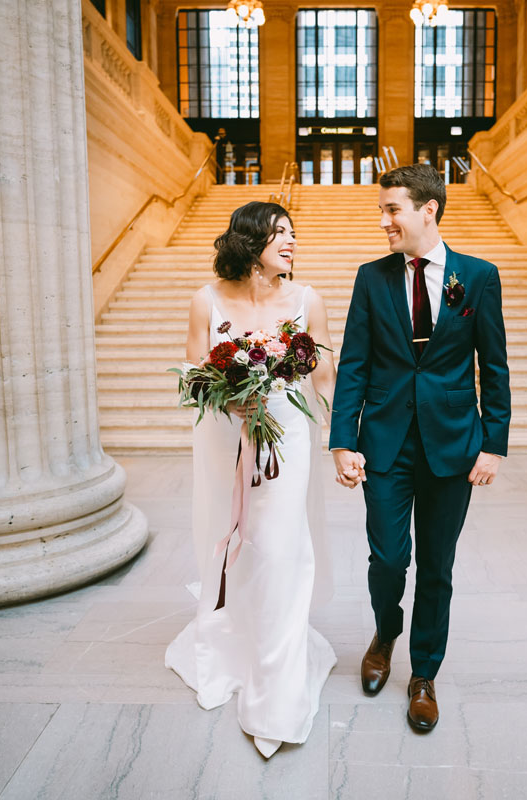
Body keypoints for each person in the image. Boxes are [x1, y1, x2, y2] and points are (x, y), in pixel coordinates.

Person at [329, 164, 511, 732]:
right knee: (387, 559)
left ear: (427, 211)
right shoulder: (371, 277)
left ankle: (424, 673)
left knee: (437, 565)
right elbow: (354, 363)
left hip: (454, 445)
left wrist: (493, 444)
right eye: (383, 210)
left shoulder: (477, 277)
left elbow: (494, 366)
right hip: (384, 442)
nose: (384, 220)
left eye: (392, 210)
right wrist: (342, 441)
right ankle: (385, 633)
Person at [165, 201, 337, 758]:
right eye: (277, 232)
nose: (289, 241)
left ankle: (277, 693)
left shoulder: (308, 300)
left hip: (287, 440)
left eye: (292, 233)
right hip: (223, 443)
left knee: (280, 548)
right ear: (248, 239)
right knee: (233, 542)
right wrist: (232, 397)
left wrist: (343, 439)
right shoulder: (206, 300)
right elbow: (193, 377)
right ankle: (236, 636)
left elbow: (327, 374)